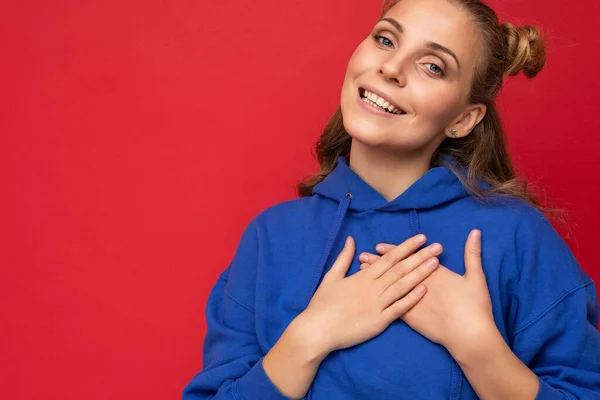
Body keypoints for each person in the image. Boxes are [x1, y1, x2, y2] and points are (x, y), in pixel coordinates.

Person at [182, 0, 600, 398]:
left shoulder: (516, 235)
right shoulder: (270, 236)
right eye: (386, 39)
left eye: (433, 67)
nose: (391, 68)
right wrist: (310, 336)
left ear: (463, 119)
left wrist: (477, 346)